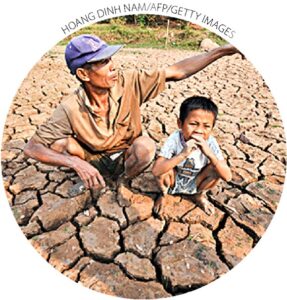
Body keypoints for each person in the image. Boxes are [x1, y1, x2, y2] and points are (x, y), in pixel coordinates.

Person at [23, 34, 240, 193]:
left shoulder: (130, 82)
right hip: (91, 157)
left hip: (126, 155)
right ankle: (91, 176)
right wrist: (77, 164)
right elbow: (32, 148)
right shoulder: (70, 107)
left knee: (146, 146)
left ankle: (122, 180)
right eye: (102, 62)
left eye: (110, 59)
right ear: (83, 74)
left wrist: (222, 51)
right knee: (59, 145)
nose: (112, 67)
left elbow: (177, 71)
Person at [152, 96, 232, 215]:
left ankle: (199, 195)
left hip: (197, 181)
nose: (199, 131)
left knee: (216, 169)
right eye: (193, 124)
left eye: (206, 126)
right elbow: (156, 171)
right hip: (174, 180)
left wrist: (209, 154)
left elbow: (227, 177)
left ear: (212, 128)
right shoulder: (175, 138)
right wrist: (183, 154)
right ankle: (163, 194)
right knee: (164, 167)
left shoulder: (210, 142)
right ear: (180, 123)